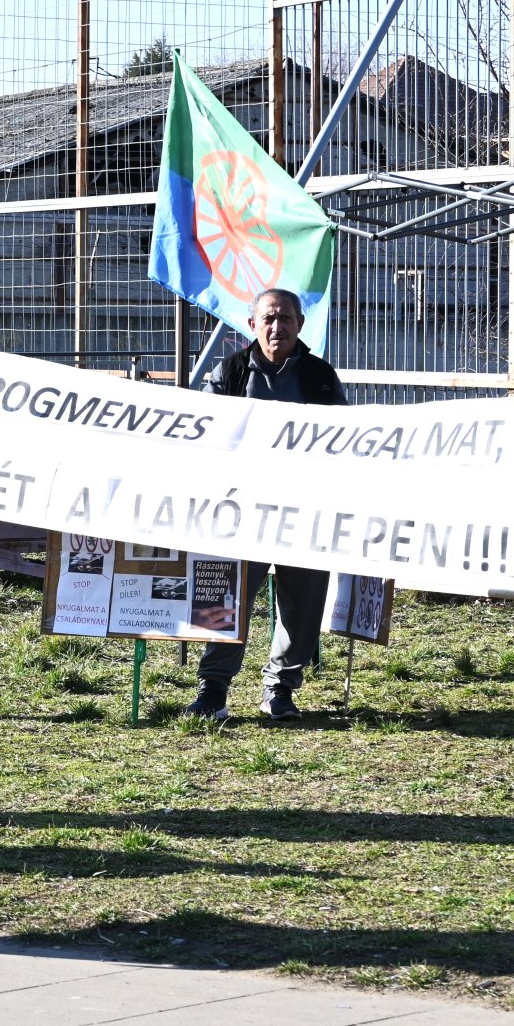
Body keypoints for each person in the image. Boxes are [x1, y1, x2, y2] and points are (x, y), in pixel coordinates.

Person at [187, 288, 346, 722]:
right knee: (224, 598)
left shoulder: (320, 376)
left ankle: (280, 690)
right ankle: (213, 691)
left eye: (286, 319)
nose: (277, 327)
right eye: (269, 319)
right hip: (239, 511)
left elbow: (345, 439)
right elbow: (201, 432)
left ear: (300, 323)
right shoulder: (231, 371)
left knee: (302, 604)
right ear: (252, 324)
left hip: (305, 511)